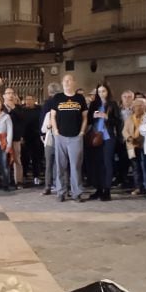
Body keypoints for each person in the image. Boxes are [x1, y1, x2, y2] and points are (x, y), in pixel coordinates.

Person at [50, 74, 88, 203]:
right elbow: (52, 116)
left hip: (76, 137)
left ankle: (76, 192)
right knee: (60, 166)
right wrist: (55, 131)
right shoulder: (57, 98)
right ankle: (61, 192)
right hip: (60, 136)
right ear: (62, 83)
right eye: (64, 80)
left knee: (75, 166)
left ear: (74, 82)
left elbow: (85, 117)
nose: (67, 82)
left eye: (69, 80)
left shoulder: (80, 98)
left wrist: (82, 132)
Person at [85, 83, 119, 201]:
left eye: (103, 91)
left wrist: (106, 117)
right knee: (97, 164)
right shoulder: (94, 104)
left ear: (108, 92)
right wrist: (93, 116)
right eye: (99, 92)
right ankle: (99, 189)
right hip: (95, 136)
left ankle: (107, 190)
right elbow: (88, 119)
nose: (101, 94)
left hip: (108, 137)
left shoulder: (112, 104)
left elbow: (118, 121)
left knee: (107, 163)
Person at [121, 97, 146, 196]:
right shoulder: (129, 118)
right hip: (132, 146)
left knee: (145, 167)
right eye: (136, 105)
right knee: (135, 168)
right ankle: (138, 187)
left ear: (145, 106)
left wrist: (138, 138)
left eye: (140, 105)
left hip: (143, 146)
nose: (138, 108)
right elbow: (124, 130)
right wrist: (129, 137)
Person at [2, 87, 25, 189]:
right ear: (4, 96)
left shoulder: (19, 108)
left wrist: (14, 108)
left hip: (15, 137)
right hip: (3, 138)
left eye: (12, 93)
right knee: (5, 160)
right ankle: (7, 181)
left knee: (17, 160)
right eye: (8, 93)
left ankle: (18, 181)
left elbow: (22, 119)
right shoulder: (1, 107)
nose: (10, 95)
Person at [40, 82, 59, 195]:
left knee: (56, 163)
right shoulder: (48, 115)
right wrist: (48, 126)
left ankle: (56, 185)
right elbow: (43, 128)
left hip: (59, 138)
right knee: (49, 163)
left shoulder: (58, 112)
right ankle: (48, 186)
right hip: (50, 139)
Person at [20, 93, 43, 185]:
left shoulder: (39, 109)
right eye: (27, 99)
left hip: (36, 137)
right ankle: (24, 175)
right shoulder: (22, 110)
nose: (28, 101)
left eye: (30, 99)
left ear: (34, 100)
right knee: (24, 158)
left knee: (36, 158)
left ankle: (36, 176)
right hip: (25, 137)